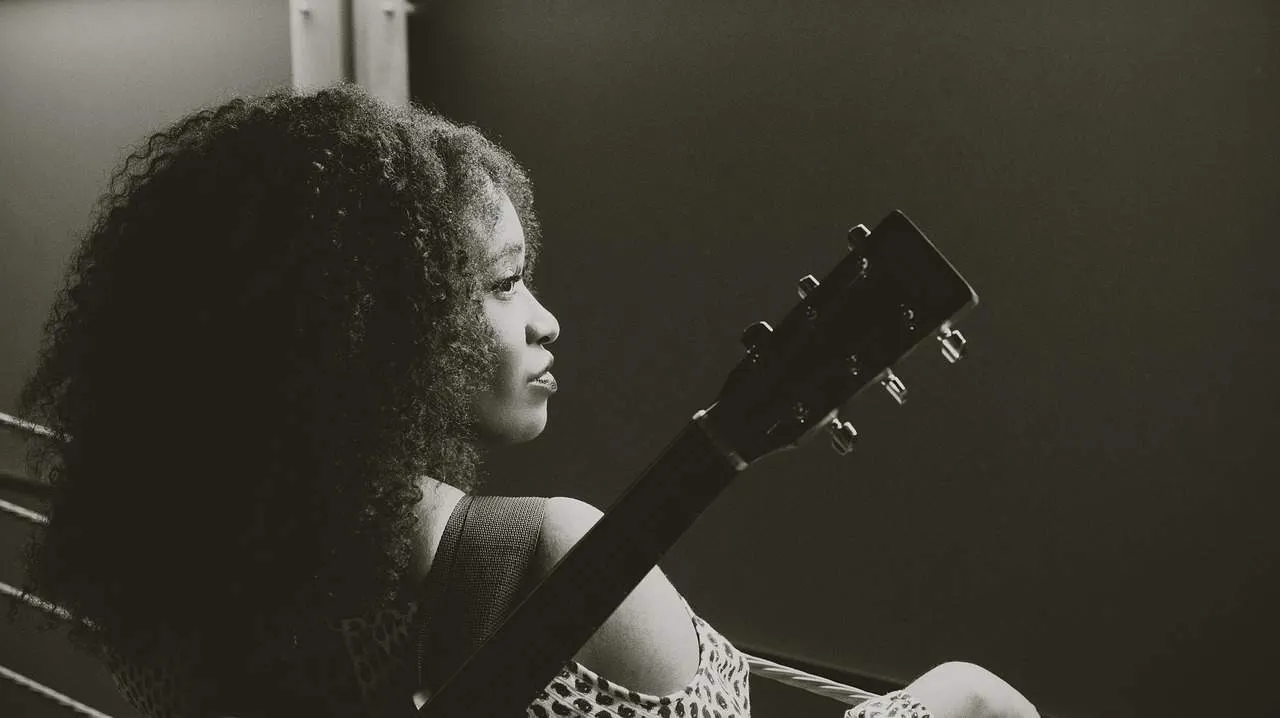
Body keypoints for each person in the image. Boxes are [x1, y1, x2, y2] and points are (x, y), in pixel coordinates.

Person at [11, 83, 1039, 718]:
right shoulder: (545, 561)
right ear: (371, 328)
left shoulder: (171, 575)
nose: (545, 320)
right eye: (503, 285)